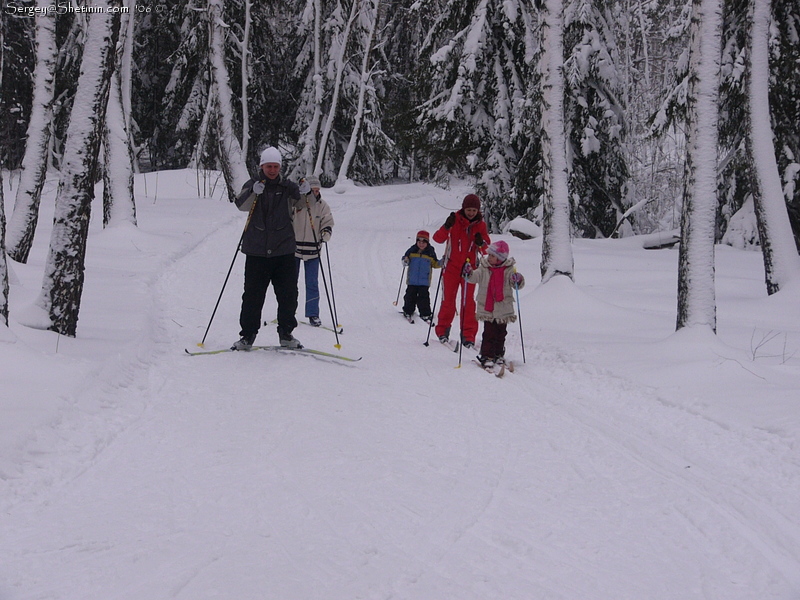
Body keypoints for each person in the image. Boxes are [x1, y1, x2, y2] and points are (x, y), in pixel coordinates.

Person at [231, 146, 310, 350]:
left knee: (288, 295)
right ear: (262, 166)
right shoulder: (253, 185)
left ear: (280, 167)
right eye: (269, 166)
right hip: (256, 251)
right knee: (252, 296)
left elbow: (302, 204)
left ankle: (286, 334)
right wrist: (252, 192)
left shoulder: (287, 187)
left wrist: (306, 192)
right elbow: (241, 205)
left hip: (283, 250)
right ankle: (247, 336)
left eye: (276, 166)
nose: (272, 170)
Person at [432, 193, 490, 348]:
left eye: (474, 210)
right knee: (448, 301)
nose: (471, 213)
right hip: (451, 268)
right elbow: (437, 239)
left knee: (468, 303)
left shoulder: (481, 225)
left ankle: (468, 335)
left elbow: (487, 251)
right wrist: (446, 227)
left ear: (478, 211)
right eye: (468, 210)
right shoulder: (454, 221)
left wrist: (481, 242)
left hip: (469, 270)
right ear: (463, 209)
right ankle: (442, 330)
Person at [463, 240, 525, 367]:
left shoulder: (508, 270)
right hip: (488, 308)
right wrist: (468, 273)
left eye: (492, 255)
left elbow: (516, 285)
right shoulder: (484, 268)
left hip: (503, 308)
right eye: (489, 255)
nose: (489, 257)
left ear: (500, 258)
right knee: (489, 333)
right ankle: (487, 355)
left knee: (501, 333)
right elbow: (474, 277)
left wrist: (518, 280)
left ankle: (498, 354)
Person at [293, 175, 334, 327]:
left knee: (312, 283)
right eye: (313, 190)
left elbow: (328, 221)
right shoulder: (297, 203)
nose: (315, 193)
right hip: (294, 249)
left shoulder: (322, 205)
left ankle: (313, 314)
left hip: (313, 250)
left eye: (317, 190)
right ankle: (288, 311)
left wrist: (326, 233)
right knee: (290, 282)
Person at [401, 230, 440, 323]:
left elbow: (435, 263)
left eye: (424, 242)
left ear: (427, 242)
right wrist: (405, 260)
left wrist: (442, 262)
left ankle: (425, 313)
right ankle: (408, 310)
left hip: (424, 281)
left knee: (424, 298)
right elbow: (405, 258)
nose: (421, 244)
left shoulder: (430, 252)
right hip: (412, 280)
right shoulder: (412, 250)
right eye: (419, 242)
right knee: (410, 296)